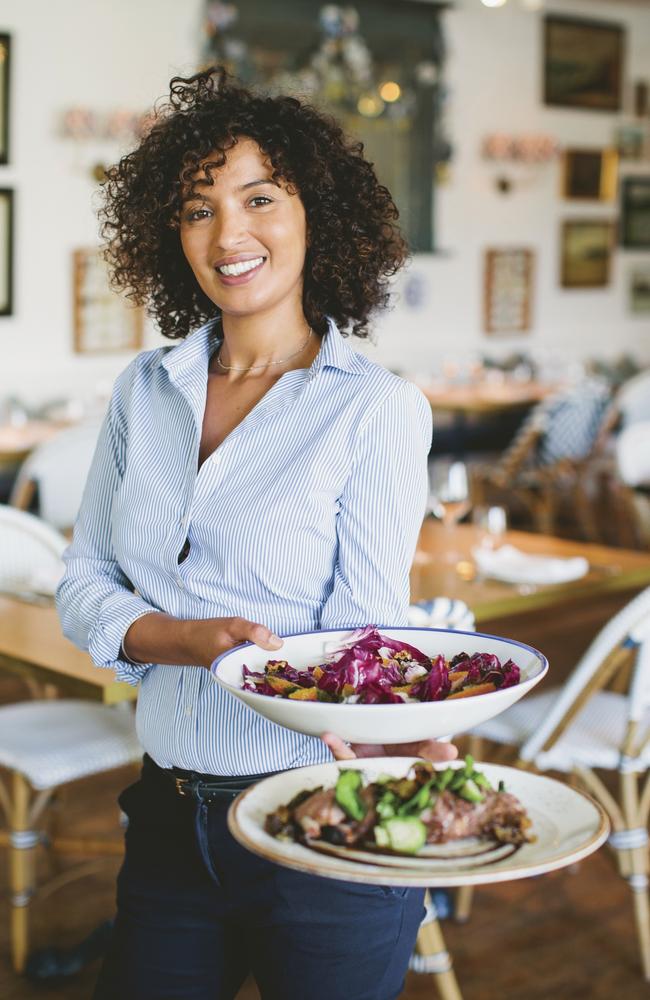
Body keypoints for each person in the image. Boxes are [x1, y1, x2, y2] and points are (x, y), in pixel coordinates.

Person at [56, 66, 457, 1000]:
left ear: (316, 213)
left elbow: (362, 641)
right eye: (198, 209)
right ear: (171, 235)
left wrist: (400, 732)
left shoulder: (376, 411)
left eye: (260, 199)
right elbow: (81, 580)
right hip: (165, 817)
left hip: (315, 815)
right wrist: (187, 642)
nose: (229, 234)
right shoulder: (142, 390)